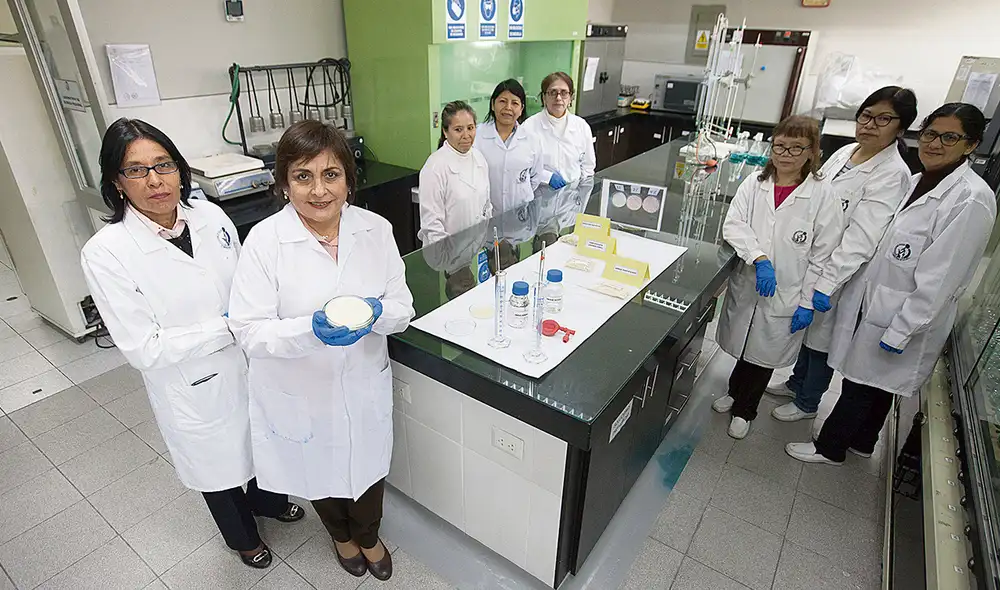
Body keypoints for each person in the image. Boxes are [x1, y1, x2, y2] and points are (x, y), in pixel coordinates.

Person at [80, 118, 302, 570]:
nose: (156, 180)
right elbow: (144, 348)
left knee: (263, 437)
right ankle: (242, 538)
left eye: (163, 165)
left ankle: (268, 501)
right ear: (117, 183)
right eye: (137, 170)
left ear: (181, 170)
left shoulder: (211, 217)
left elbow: (246, 283)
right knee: (215, 465)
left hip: (247, 361)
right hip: (190, 383)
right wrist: (229, 326)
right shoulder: (106, 253)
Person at [228, 120, 414, 580]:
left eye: (331, 174)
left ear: (349, 179)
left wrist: (377, 314)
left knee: (368, 471)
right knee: (317, 469)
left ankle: (368, 536)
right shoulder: (265, 242)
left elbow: (403, 308)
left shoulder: (377, 230)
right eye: (302, 176)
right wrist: (309, 332)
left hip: (363, 379)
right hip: (301, 386)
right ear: (284, 183)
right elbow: (248, 330)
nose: (318, 191)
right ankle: (340, 536)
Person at [787, 103, 997, 465]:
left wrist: (903, 329)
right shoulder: (920, 180)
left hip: (907, 312)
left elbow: (942, 279)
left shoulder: (971, 198)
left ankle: (830, 447)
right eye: (931, 134)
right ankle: (863, 442)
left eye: (950, 137)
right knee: (875, 384)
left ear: (971, 144)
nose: (935, 144)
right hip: (883, 301)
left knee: (861, 382)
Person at [767, 87, 918, 422]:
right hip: (815, 258)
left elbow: (861, 238)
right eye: (866, 115)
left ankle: (808, 402)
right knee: (807, 332)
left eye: (883, 119)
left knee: (823, 338)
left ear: (901, 128)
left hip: (842, 273)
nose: (870, 124)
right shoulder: (847, 152)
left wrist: (826, 283)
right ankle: (796, 382)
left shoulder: (893, 174)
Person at [713, 116, 845, 439]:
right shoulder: (754, 183)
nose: (785, 154)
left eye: (796, 147)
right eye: (780, 146)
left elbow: (823, 253)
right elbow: (733, 224)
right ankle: (733, 392)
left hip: (790, 290)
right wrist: (760, 259)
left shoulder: (821, 195)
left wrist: (806, 303)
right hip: (752, 280)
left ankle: (746, 409)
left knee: (764, 353)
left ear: (812, 152)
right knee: (745, 343)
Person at [418, 100, 492, 245]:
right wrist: (449, 256)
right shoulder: (434, 167)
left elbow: (487, 205)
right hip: (446, 255)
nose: (466, 135)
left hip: (476, 247)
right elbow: (432, 225)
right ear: (445, 132)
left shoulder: (479, 158)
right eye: (458, 130)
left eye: (470, 128)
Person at [475, 78, 548, 215]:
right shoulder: (477, 136)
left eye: (515, 103)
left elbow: (535, 177)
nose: (508, 107)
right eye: (502, 101)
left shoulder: (532, 139)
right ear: (492, 104)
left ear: (521, 109)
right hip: (486, 215)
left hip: (520, 214)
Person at [522, 72, 596, 187]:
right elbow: (522, 165)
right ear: (544, 97)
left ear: (571, 97)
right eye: (552, 92)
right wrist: (546, 177)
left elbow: (588, 167)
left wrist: (581, 196)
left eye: (564, 93)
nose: (558, 98)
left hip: (572, 197)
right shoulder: (529, 127)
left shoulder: (582, 126)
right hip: (540, 195)